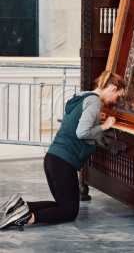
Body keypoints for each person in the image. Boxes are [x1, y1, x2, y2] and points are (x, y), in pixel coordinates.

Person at [0, 70, 125, 229]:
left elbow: (75, 124)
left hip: (53, 159)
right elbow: (81, 133)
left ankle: (18, 206)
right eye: (118, 96)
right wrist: (104, 126)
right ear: (113, 87)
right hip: (63, 163)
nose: (115, 100)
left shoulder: (82, 96)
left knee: (61, 205)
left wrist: (95, 120)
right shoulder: (94, 102)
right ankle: (26, 218)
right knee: (69, 211)